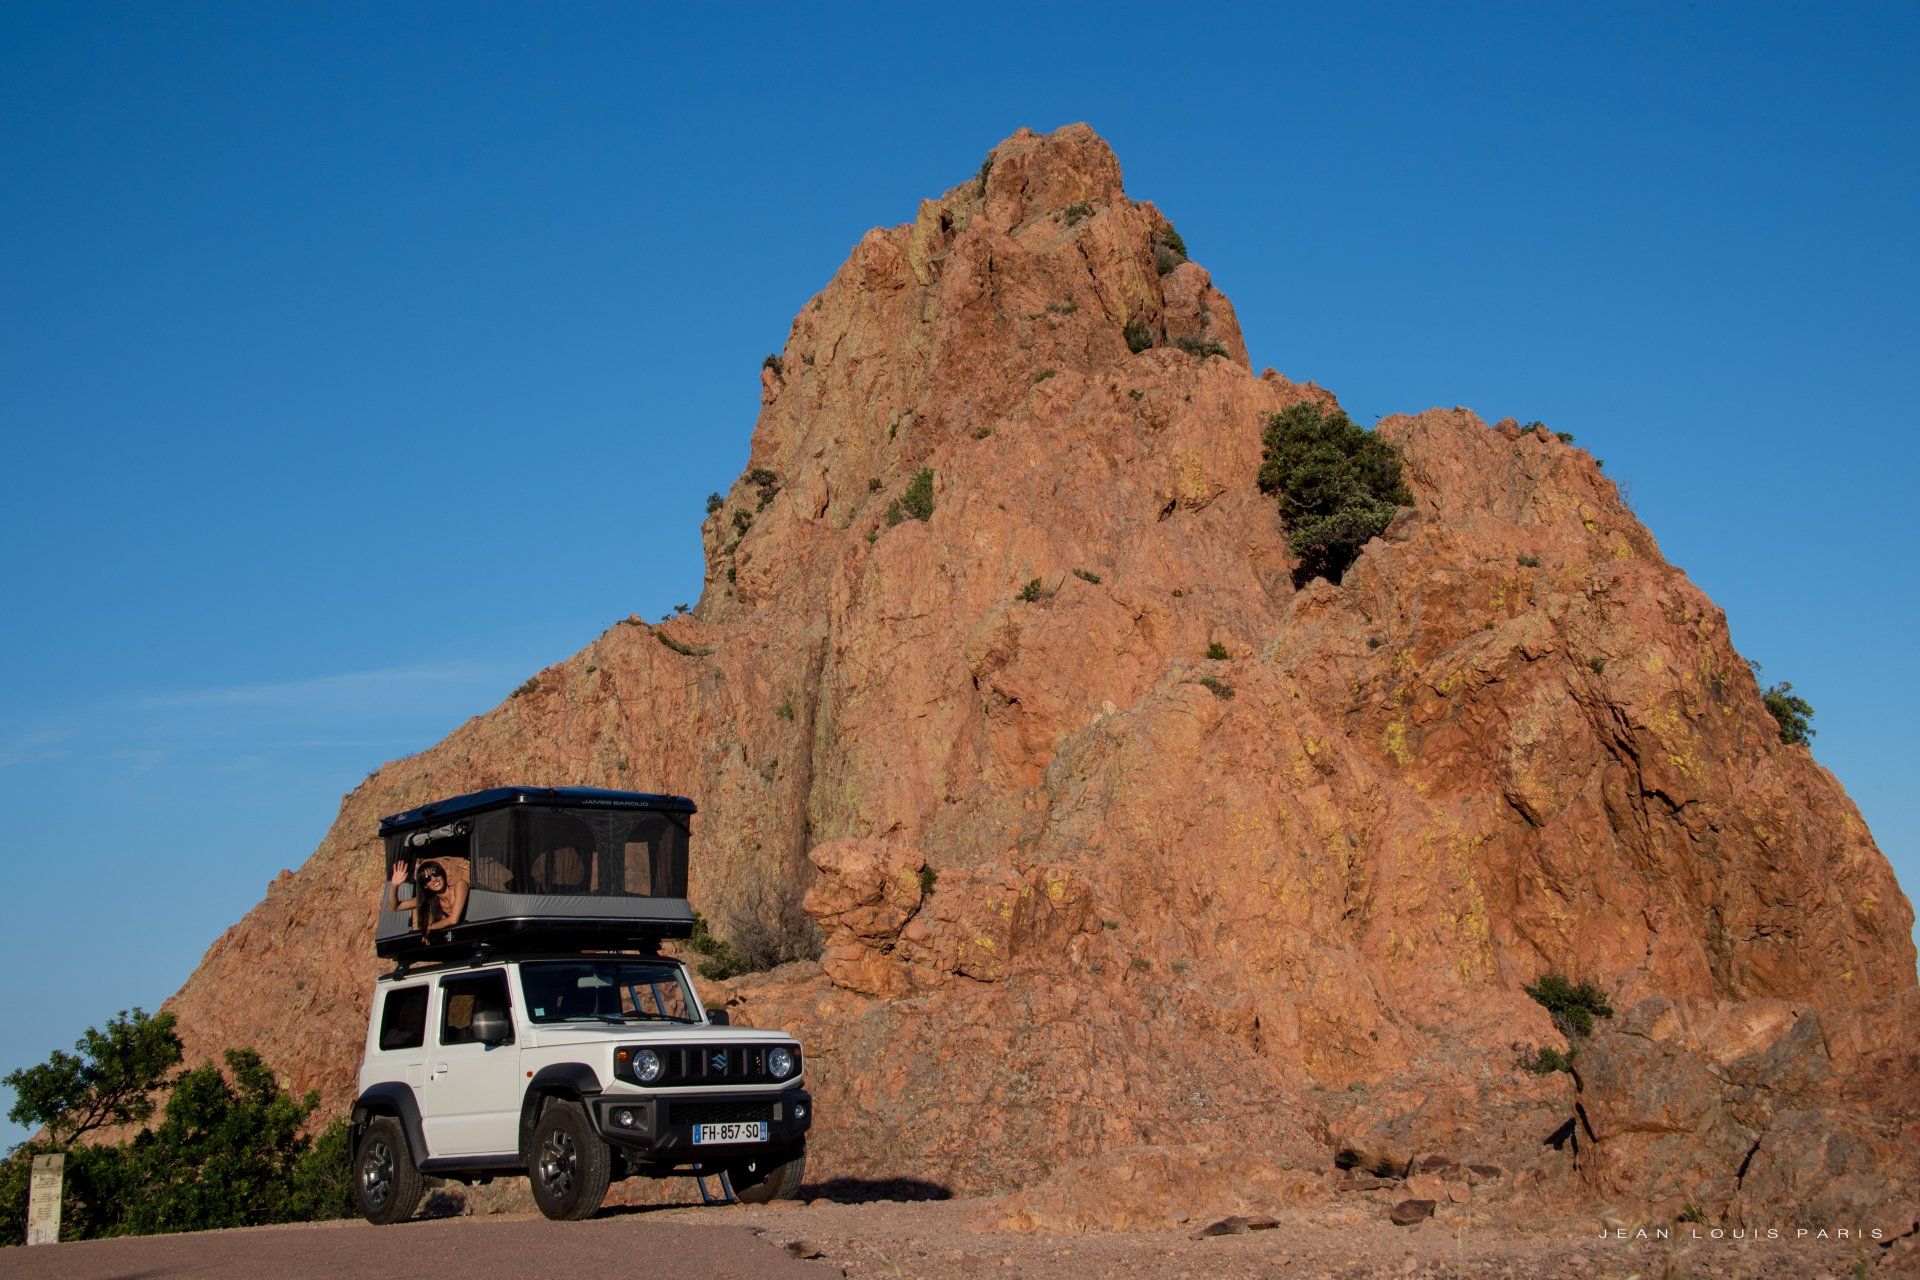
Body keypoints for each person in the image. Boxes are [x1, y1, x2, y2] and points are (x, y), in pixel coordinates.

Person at [386, 859, 469, 940]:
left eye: (435, 873)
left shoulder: (460, 885)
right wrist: (394, 886)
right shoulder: (430, 899)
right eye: (427, 878)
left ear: (442, 873)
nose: (433, 879)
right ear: (425, 886)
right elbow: (394, 907)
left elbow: (453, 920)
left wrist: (430, 927)